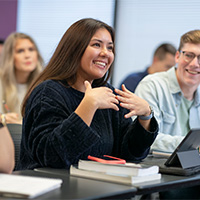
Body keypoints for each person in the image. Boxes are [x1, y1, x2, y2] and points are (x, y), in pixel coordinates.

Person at [17, 18, 158, 170]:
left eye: (110, 48)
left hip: (97, 186)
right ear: (74, 49)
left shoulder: (108, 93)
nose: (105, 53)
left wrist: (145, 116)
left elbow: (129, 154)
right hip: (52, 187)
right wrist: (89, 106)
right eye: (97, 45)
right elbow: (52, 157)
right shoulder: (47, 92)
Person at [134, 30, 200, 153]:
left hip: (191, 168)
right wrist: (194, 146)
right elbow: (146, 139)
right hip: (157, 169)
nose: (194, 64)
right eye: (189, 55)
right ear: (177, 57)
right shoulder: (152, 86)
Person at [0, 32, 44, 125]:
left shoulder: (44, 84)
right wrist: (2, 118)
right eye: (20, 51)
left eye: (31, 49)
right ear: (10, 56)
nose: (27, 55)